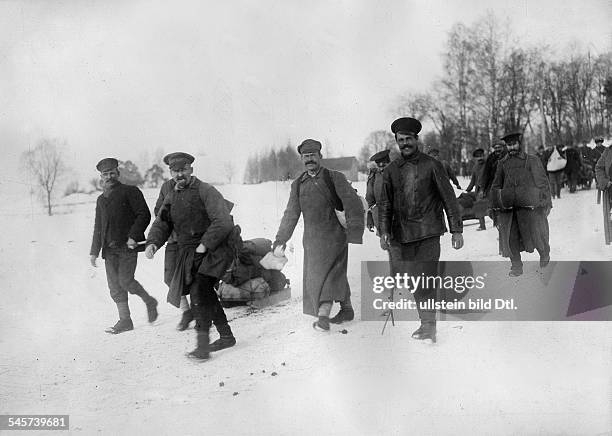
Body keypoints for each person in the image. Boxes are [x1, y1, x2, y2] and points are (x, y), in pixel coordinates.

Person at [379, 118, 464, 342]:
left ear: (417, 139)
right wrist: (384, 232)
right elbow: (385, 204)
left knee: (425, 279)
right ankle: (426, 323)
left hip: (428, 232)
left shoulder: (432, 165)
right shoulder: (390, 170)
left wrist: (456, 230)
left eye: (408, 139)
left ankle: (429, 326)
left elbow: (449, 198)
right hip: (403, 235)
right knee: (415, 281)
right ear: (396, 142)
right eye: (401, 140)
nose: (405, 143)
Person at [145, 152, 236, 360]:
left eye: (183, 170)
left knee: (199, 291)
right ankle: (226, 336)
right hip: (190, 252)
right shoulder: (171, 196)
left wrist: (205, 244)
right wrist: (153, 243)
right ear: (171, 173)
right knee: (205, 292)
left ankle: (202, 347)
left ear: (191, 170)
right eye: (175, 171)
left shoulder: (206, 191)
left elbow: (223, 221)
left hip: (216, 248)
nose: (180, 175)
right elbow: (162, 223)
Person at [274, 139, 365, 331]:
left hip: (336, 238)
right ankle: (347, 309)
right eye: (306, 156)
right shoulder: (298, 184)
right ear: (301, 159)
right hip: (313, 242)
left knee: (330, 278)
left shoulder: (334, 177)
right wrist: (281, 239)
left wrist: (355, 232)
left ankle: (323, 316)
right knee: (321, 278)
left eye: (312, 155)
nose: (309, 160)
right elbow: (291, 213)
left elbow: (352, 203)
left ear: (320, 157)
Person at [89, 158, 157, 334]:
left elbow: (144, 214)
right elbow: (98, 226)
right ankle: (125, 321)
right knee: (115, 287)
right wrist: (94, 251)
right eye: (105, 174)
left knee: (125, 281)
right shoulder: (100, 200)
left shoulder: (130, 191)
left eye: (112, 172)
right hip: (109, 250)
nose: (109, 176)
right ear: (101, 177)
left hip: (127, 247)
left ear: (118, 174)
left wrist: (134, 236)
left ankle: (149, 301)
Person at [490, 132, 552, 276]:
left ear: (519, 144)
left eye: (514, 144)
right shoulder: (502, 163)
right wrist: (494, 204)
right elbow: (496, 185)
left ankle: (544, 254)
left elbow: (542, 182)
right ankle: (516, 266)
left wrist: (545, 201)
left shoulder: (532, 160)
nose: (512, 147)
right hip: (509, 208)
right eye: (509, 145)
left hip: (530, 206)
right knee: (510, 237)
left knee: (537, 234)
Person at [365, 149, 391, 234]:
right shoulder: (374, 177)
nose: (382, 167)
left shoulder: (399, 174)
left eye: (384, 164)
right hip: (381, 219)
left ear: (389, 162)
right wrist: (369, 217)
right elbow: (370, 200)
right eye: (379, 165)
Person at [466, 148, 487, 231]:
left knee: (492, 208)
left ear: (483, 155)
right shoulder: (475, 166)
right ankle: (482, 225)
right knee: (479, 207)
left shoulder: (488, 165)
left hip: (488, 189)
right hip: (478, 191)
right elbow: (473, 180)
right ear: (475, 158)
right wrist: (468, 189)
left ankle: (497, 224)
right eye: (477, 157)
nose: (480, 158)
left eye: (481, 156)